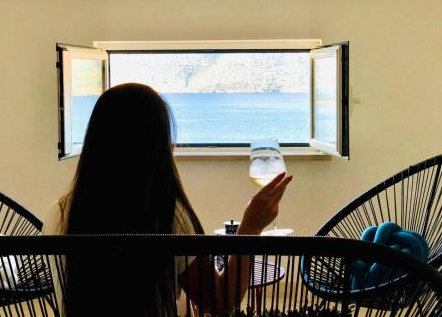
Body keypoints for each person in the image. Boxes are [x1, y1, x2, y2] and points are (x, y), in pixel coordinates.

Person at [43, 83, 292, 316]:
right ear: (156, 147)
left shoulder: (60, 213)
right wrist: (250, 228)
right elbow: (220, 302)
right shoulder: (166, 216)